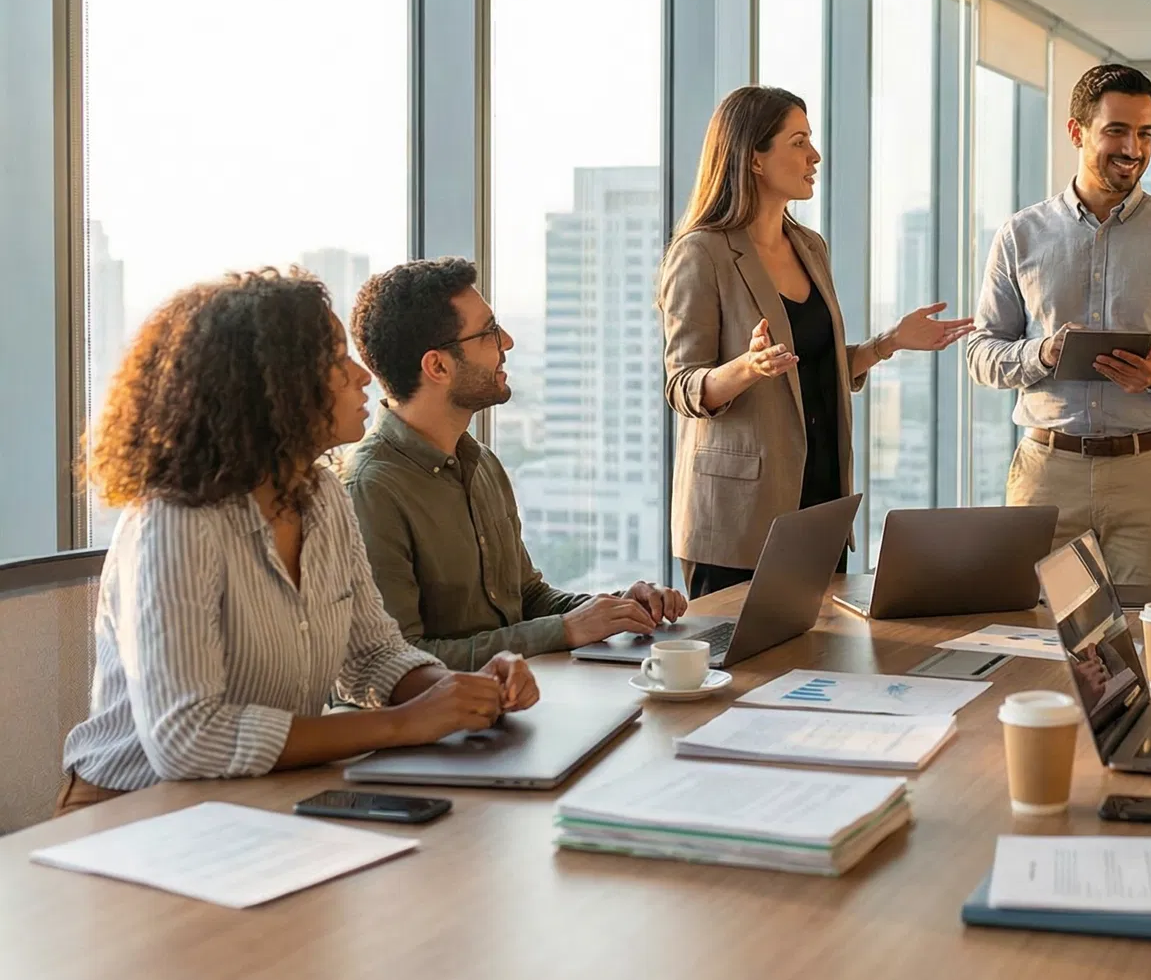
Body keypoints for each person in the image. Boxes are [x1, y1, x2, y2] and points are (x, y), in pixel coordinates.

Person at [59, 269, 539, 814]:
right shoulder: (174, 520)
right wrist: (404, 723)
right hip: (131, 810)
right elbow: (188, 739)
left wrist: (461, 691)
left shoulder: (322, 495)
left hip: (255, 798)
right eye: (336, 362)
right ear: (271, 389)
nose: (362, 376)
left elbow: (373, 655)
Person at [659, 85, 973, 598]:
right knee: (740, 652)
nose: (815, 156)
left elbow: (812, 369)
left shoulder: (809, 246)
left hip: (820, 501)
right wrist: (747, 368)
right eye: (799, 142)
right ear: (754, 158)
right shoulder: (701, 253)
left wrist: (890, 341)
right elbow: (682, 386)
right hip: (737, 519)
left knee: (821, 646)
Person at [341, 257, 685, 670]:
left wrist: (616, 609)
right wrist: (565, 629)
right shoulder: (370, 490)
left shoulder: (480, 462)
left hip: (517, 696)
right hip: (456, 710)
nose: (506, 341)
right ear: (438, 366)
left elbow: (527, 600)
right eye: (488, 332)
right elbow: (398, 662)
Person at [967, 64, 1151, 593]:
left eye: (1145, 133)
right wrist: (1043, 353)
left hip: (1148, 478)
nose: (1133, 149)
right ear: (1077, 131)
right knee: (1037, 629)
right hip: (1048, 475)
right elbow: (981, 354)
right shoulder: (1021, 235)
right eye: (1117, 131)